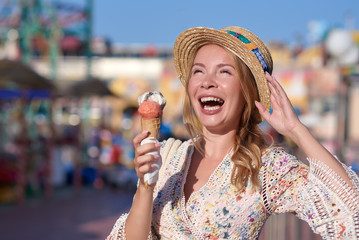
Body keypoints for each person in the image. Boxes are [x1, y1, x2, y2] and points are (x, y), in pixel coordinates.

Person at [107, 26, 359, 240]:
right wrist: (144, 185)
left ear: (247, 92)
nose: (207, 81)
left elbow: (351, 212)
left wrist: (296, 130)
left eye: (224, 71)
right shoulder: (167, 155)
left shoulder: (267, 167)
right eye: (198, 71)